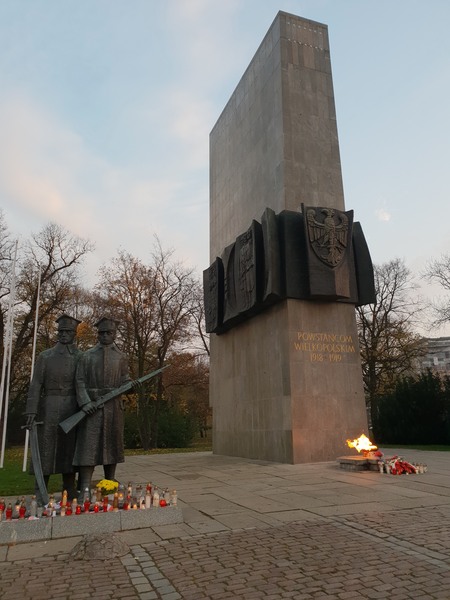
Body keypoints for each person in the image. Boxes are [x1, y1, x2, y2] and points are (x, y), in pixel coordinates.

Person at [25, 314, 82, 502]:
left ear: (74, 334)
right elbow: (36, 384)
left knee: (69, 448)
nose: (64, 334)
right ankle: (41, 488)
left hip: (72, 407)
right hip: (49, 406)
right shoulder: (45, 356)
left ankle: (69, 487)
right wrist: (31, 410)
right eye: (61, 331)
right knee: (46, 448)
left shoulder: (80, 357)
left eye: (68, 331)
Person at [73, 316, 130, 497]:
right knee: (88, 446)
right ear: (97, 334)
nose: (105, 335)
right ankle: (84, 486)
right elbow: (79, 381)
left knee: (112, 445)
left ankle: (109, 482)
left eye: (109, 332)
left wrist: (130, 385)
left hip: (113, 406)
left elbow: (125, 379)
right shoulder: (87, 355)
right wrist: (85, 402)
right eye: (102, 332)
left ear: (114, 334)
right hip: (92, 406)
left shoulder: (121, 357)